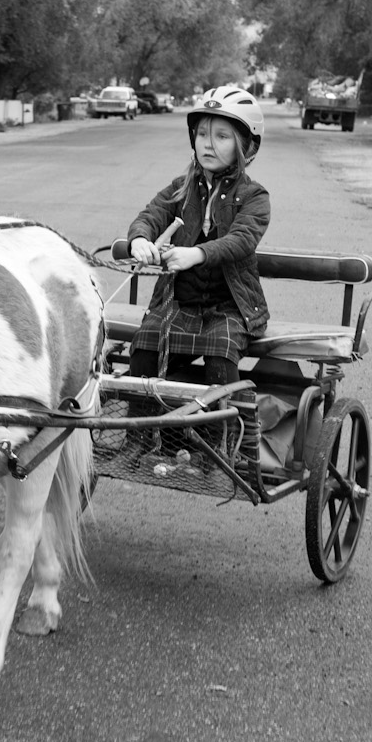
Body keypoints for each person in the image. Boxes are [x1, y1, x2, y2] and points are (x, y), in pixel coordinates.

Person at [124, 85, 270, 468]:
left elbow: (241, 241)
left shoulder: (255, 197)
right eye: (203, 134)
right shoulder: (181, 187)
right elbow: (150, 215)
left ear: (246, 147)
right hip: (179, 303)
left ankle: (221, 442)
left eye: (222, 136)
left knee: (221, 352)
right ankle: (145, 435)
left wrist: (196, 253)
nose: (209, 143)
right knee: (144, 345)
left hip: (230, 308)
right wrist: (140, 239)